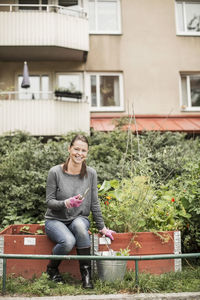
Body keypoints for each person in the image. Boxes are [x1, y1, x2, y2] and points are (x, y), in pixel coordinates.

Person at [44, 134, 115, 289]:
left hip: (79, 219)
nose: (79, 153)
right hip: (55, 220)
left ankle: (86, 277)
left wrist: (102, 227)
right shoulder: (55, 172)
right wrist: (66, 203)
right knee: (68, 241)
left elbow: (94, 203)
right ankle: (51, 269)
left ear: (87, 153)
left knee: (80, 226)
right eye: (76, 149)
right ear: (69, 149)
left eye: (83, 150)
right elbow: (49, 202)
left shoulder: (91, 174)